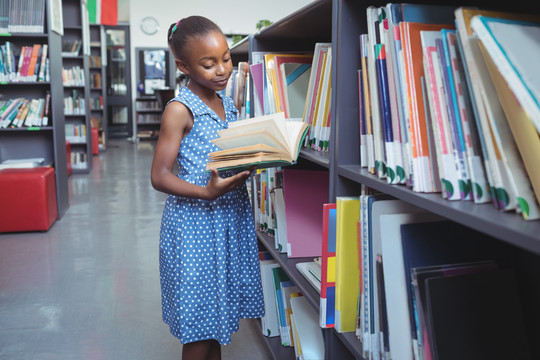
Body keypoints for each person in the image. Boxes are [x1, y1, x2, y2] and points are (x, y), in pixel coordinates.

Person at [150, 16, 264, 360]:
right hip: (196, 229)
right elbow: (159, 176)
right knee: (199, 330)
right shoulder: (179, 110)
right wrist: (208, 192)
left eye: (226, 58)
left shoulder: (226, 103)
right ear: (184, 65)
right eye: (208, 63)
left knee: (214, 323)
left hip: (228, 222)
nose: (221, 70)